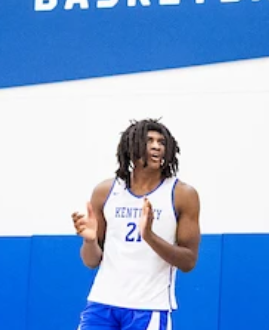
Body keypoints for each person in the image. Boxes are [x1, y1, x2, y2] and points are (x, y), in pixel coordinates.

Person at [71, 118, 202, 330]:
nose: (157, 146)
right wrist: (89, 240)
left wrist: (149, 236)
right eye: (149, 140)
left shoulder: (181, 194)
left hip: (149, 307)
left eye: (161, 142)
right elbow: (91, 261)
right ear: (131, 147)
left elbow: (188, 262)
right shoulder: (106, 191)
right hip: (102, 303)